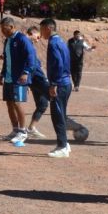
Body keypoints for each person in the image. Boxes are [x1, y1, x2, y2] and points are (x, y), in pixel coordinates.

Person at [39, 18, 74, 158]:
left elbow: (58, 64)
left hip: (59, 84)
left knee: (57, 116)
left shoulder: (53, 43)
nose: (41, 32)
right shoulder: (61, 41)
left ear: (48, 28)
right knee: (61, 114)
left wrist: (54, 84)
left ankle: (62, 146)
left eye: (42, 29)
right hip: (65, 83)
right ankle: (65, 143)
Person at [0, 17, 36, 141]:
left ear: (12, 27)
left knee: (17, 103)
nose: (2, 31)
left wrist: (26, 72)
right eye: (1, 29)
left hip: (20, 78)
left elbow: (31, 57)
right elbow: (6, 60)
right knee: (9, 103)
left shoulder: (22, 39)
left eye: (4, 29)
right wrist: (2, 74)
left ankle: (23, 131)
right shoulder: (7, 41)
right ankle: (15, 130)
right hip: (8, 77)